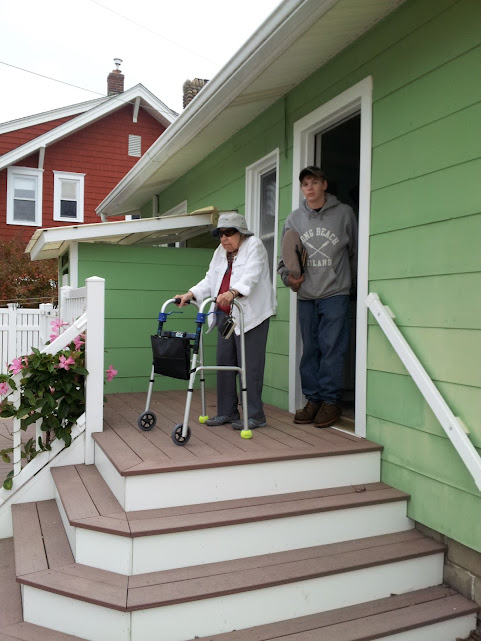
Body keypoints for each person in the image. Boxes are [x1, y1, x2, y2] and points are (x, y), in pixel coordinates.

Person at [175, 212, 276, 430]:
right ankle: (227, 412)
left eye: (229, 233)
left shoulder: (254, 245)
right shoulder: (220, 252)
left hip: (250, 316)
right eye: (220, 234)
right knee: (224, 363)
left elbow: (251, 275)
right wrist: (190, 294)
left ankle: (255, 415)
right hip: (224, 315)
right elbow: (210, 279)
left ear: (241, 233)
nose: (224, 238)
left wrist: (233, 292)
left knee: (249, 366)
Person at [278, 166, 358, 428]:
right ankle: (313, 400)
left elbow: (355, 253)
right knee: (310, 351)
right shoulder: (294, 219)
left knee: (332, 349)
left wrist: (352, 285)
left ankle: (331, 402)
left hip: (335, 293)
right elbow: (284, 261)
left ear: (324, 184)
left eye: (314, 182)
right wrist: (289, 279)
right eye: (305, 184)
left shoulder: (344, 214)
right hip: (306, 297)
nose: (309, 188)